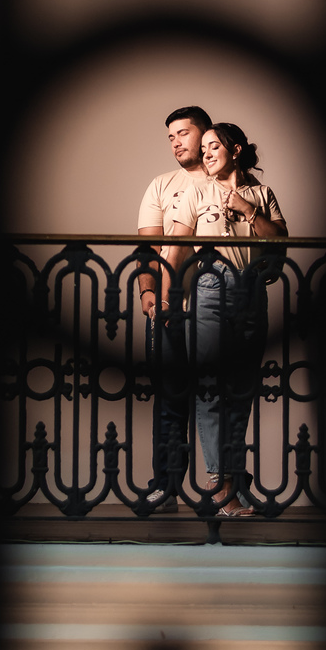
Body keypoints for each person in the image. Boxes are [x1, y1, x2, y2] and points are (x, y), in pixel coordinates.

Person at [167, 123, 287, 517]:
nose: (205, 153)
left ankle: (231, 484)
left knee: (242, 390)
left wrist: (249, 212)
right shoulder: (197, 191)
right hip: (210, 290)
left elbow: (281, 243)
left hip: (252, 292)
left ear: (235, 150)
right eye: (202, 148)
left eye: (213, 145)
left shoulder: (261, 194)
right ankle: (221, 488)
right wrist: (169, 296)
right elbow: (179, 248)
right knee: (209, 388)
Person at [136, 105, 212, 505]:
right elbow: (147, 248)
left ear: (206, 133)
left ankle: (225, 489)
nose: (176, 142)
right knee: (170, 396)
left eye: (184, 133)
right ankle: (165, 486)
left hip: (220, 304)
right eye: (171, 136)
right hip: (171, 307)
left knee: (220, 395)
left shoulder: (233, 182)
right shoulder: (162, 185)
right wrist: (149, 293)